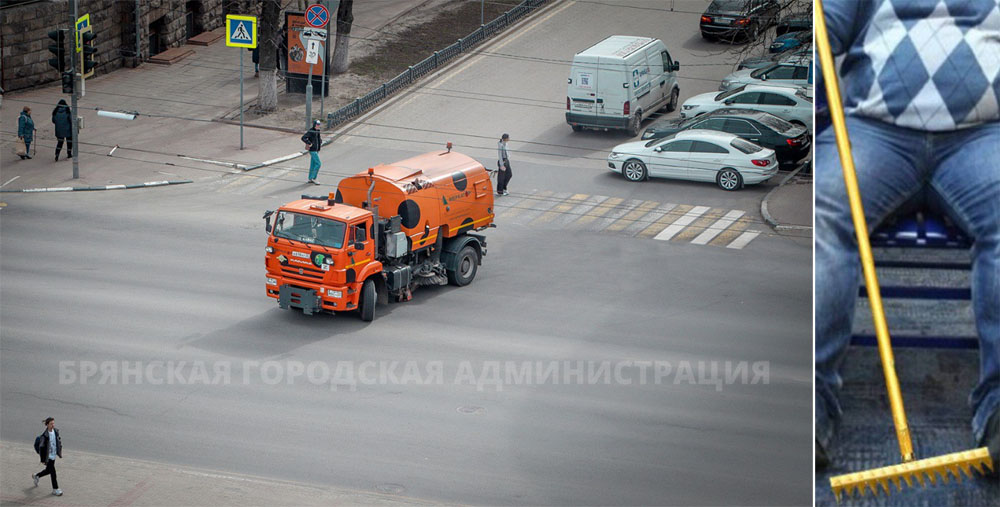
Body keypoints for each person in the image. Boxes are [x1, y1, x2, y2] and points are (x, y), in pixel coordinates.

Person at [815, 0, 999, 472]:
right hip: (875, 132)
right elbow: (823, 30)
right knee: (826, 211)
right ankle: (812, 404)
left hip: (982, 137)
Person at [32, 417, 62, 496]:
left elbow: (57, 441)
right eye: (51, 424)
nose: (53, 425)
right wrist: (42, 459)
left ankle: (36, 476)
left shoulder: (55, 431)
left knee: (48, 470)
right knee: (53, 472)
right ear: (47, 425)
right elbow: (41, 448)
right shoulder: (44, 436)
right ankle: (55, 489)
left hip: (53, 455)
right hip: (48, 457)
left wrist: (59, 450)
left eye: (53, 423)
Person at [302, 119, 322, 185]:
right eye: (317, 125)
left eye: (319, 125)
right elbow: (303, 137)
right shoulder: (311, 131)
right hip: (312, 150)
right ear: (314, 125)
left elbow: (319, 139)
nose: (318, 126)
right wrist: (309, 143)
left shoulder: (318, 131)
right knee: (318, 164)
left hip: (316, 149)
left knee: (313, 164)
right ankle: (314, 178)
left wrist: (319, 145)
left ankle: (310, 178)